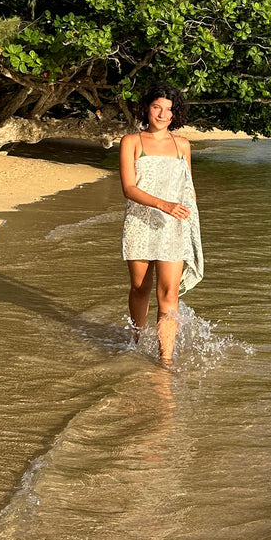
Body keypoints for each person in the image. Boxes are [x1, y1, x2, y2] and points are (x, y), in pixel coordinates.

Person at [119, 87, 204, 363]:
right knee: (140, 288)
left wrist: (189, 228)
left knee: (169, 293)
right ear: (146, 108)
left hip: (172, 227)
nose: (162, 114)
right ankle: (135, 341)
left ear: (175, 114)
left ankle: (165, 359)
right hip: (139, 223)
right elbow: (129, 189)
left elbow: (188, 190)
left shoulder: (183, 145)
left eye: (169, 109)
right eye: (157, 107)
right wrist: (163, 205)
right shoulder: (132, 142)